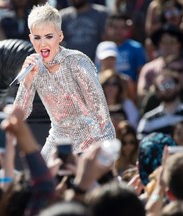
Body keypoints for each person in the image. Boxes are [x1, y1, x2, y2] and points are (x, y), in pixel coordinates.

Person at [14, 3, 115, 161]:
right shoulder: (33, 68)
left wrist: (108, 154)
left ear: (60, 36)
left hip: (91, 138)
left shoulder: (77, 62)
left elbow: (101, 114)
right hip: (58, 138)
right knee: (40, 177)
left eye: (49, 36)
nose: (43, 43)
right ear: (30, 38)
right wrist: (26, 82)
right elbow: (19, 116)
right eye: (37, 37)